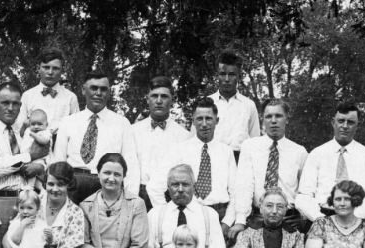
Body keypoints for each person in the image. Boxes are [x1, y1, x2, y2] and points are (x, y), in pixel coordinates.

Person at [52, 71, 140, 203]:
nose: (98, 93)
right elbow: (59, 161)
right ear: (83, 90)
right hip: (73, 184)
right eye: (93, 88)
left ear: (109, 92)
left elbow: (130, 163)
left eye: (103, 89)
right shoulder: (68, 122)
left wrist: (131, 198)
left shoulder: (122, 123)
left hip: (107, 184)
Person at [156, 97, 238, 233]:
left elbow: (235, 192)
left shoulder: (226, 151)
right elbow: (155, 187)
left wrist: (227, 223)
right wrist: (169, 216)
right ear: (193, 121)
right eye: (199, 119)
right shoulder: (179, 150)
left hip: (219, 214)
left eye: (209, 118)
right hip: (187, 215)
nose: (204, 124)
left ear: (217, 121)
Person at [296, 102, 365, 227]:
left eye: (351, 122)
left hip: (357, 219)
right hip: (322, 218)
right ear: (333, 122)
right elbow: (303, 196)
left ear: (357, 125)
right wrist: (321, 220)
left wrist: (353, 219)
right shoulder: (317, 154)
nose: (345, 126)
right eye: (341, 121)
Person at [0, 81, 46, 225]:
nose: (10, 108)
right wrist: (29, 156)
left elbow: (44, 154)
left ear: (20, 105)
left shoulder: (28, 131)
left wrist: (41, 166)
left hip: (30, 201)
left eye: (15, 103)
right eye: (5, 103)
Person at [148, 164, 226, 248]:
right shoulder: (155, 214)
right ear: (168, 187)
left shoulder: (208, 214)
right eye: (175, 184)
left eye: (185, 184)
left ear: (194, 186)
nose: (180, 189)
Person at [232, 99, 308, 233]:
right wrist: (240, 220)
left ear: (287, 119)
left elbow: (305, 191)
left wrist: (304, 217)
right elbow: (244, 185)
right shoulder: (250, 147)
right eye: (268, 116)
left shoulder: (299, 152)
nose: (273, 121)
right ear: (263, 119)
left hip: (290, 219)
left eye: (278, 116)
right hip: (258, 218)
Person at [131, 76, 192, 209]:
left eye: (164, 96)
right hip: (137, 194)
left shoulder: (183, 136)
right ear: (148, 99)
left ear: (172, 100)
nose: (159, 101)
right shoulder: (133, 131)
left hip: (168, 196)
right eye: (154, 96)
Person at [14, 48, 80, 137]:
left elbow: (76, 129)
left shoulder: (70, 97)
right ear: (38, 68)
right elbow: (19, 129)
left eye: (55, 68)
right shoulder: (27, 96)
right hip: (33, 147)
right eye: (46, 67)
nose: (50, 72)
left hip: (62, 148)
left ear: (62, 70)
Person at [209, 51, 261, 163]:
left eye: (231, 74)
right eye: (223, 74)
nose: (227, 79)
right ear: (217, 75)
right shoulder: (208, 103)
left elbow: (255, 141)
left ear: (238, 76)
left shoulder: (249, 105)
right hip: (213, 160)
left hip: (241, 162)